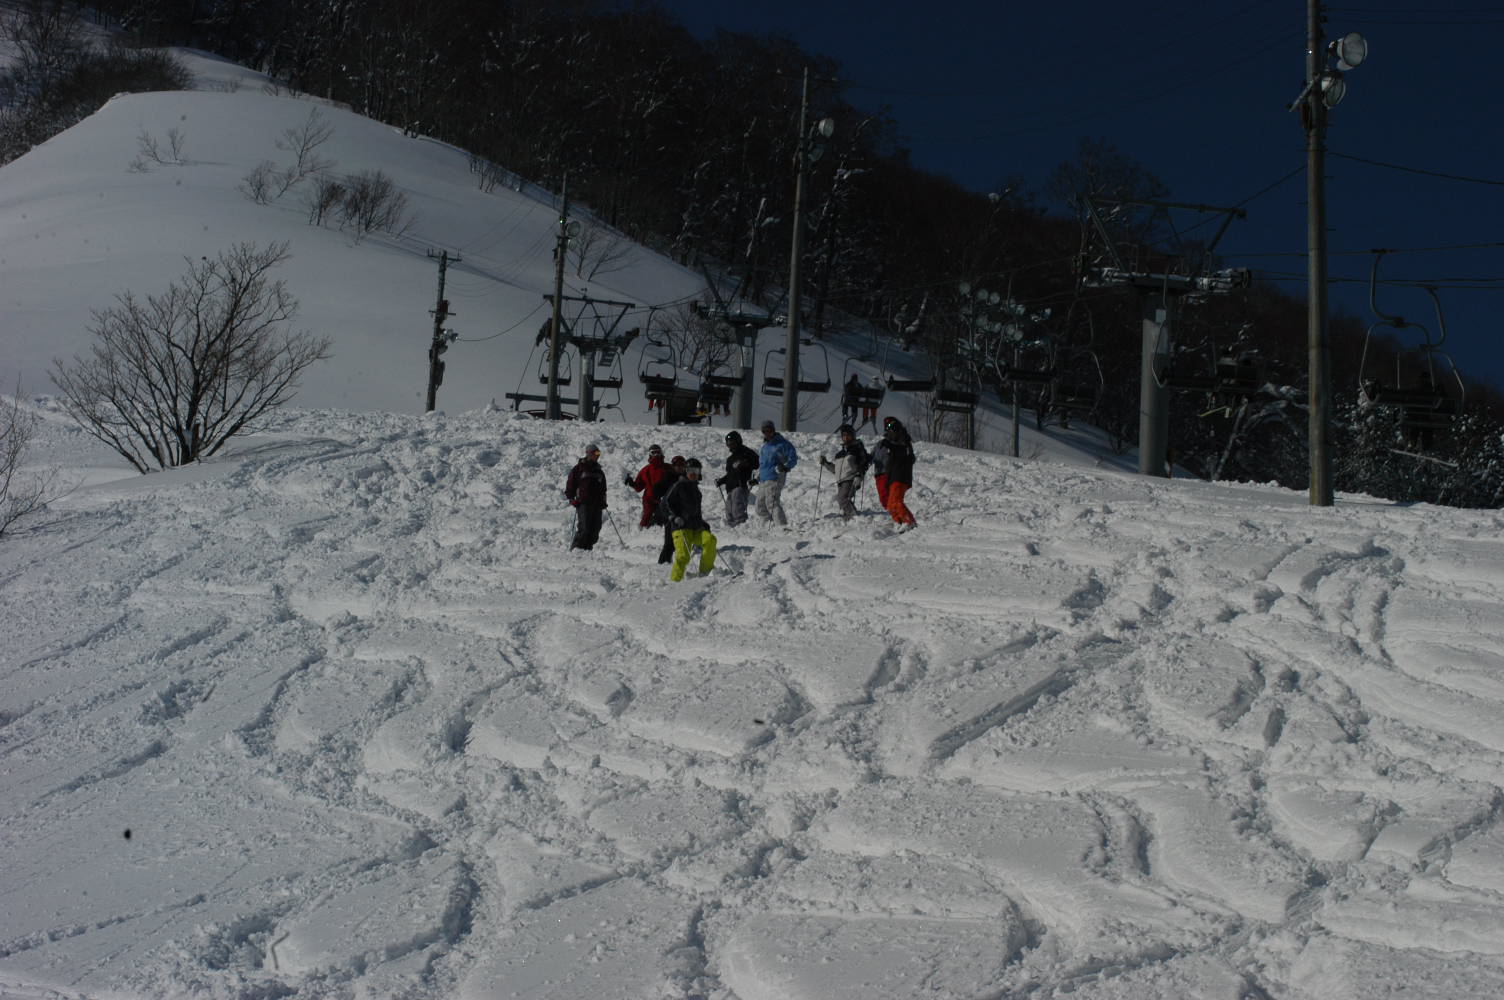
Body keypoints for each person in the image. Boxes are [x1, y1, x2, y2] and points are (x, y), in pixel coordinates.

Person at [659, 457, 717, 581]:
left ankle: (705, 571)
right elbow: (664, 504)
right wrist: (674, 517)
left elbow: (694, 512)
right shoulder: (678, 486)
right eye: (691, 470)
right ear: (686, 471)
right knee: (683, 556)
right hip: (681, 528)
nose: (694, 474)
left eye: (697, 471)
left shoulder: (696, 491)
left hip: (695, 528)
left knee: (710, 540)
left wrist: (702, 523)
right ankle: (675, 581)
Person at [870, 416, 917, 531]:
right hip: (893, 476)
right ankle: (900, 522)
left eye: (892, 429)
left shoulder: (904, 442)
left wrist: (891, 445)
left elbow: (906, 455)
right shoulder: (887, 443)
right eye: (888, 430)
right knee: (890, 503)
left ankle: (909, 522)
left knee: (896, 500)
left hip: (901, 476)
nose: (890, 433)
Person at [819, 423, 869, 521]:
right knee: (844, 500)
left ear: (853, 436)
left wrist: (859, 475)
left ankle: (854, 518)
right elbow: (836, 470)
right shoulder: (840, 454)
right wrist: (825, 463)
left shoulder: (857, 449)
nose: (846, 437)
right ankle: (853, 517)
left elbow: (864, 463)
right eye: (844, 435)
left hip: (851, 479)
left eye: (848, 435)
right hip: (841, 482)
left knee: (842, 499)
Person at [564, 443, 608, 550]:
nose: (598, 455)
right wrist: (571, 498)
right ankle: (575, 550)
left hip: (597, 504)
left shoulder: (599, 471)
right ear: (589, 453)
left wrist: (603, 501)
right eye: (596, 453)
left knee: (595, 530)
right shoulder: (579, 469)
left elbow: (603, 489)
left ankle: (587, 550)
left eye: (599, 453)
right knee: (584, 529)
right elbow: (571, 484)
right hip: (583, 503)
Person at [756, 419, 798, 526]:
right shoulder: (765, 447)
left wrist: (785, 467)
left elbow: (793, 457)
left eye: (769, 430)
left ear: (773, 430)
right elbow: (763, 465)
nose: (767, 433)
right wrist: (757, 478)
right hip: (763, 479)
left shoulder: (782, 444)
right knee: (759, 506)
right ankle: (769, 524)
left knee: (772, 503)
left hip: (775, 477)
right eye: (765, 431)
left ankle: (782, 526)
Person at [715, 430, 759, 526]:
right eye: (729, 444)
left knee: (737, 508)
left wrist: (746, 463)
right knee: (729, 510)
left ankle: (741, 527)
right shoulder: (730, 459)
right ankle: (733, 531)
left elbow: (757, 464)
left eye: (733, 443)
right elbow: (730, 474)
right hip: (730, 487)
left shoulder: (747, 453)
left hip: (740, 485)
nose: (731, 446)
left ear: (738, 441)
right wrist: (721, 481)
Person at [624, 444, 674, 529]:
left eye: (658, 452)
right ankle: (641, 533)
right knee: (647, 516)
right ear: (650, 454)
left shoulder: (668, 468)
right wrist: (632, 483)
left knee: (667, 517)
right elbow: (638, 487)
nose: (656, 455)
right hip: (649, 499)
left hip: (666, 499)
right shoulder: (646, 470)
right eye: (654, 453)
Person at [657, 455, 687, 563]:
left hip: (684, 513)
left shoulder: (687, 477)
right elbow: (658, 490)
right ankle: (662, 564)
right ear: (673, 466)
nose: (679, 467)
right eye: (677, 465)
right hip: (671, 513)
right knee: (669, 543)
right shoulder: (669, 476)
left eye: (682, 465)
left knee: (681, 541)